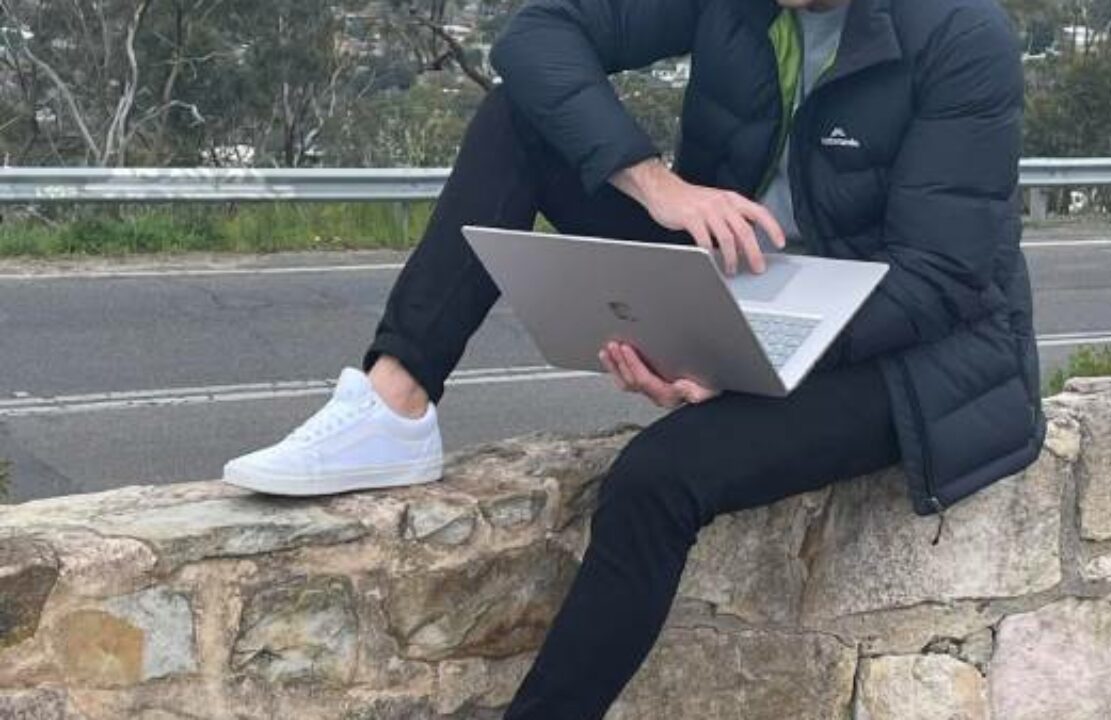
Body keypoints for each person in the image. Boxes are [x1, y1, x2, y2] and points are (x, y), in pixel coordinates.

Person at [223, 0, 1047, 715]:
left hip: (911, 354)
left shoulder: (959, 34)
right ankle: (394, 402)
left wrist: (738, 356)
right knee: (519, 117)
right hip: (744, 278)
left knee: (656, 481)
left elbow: (939, 280)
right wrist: (659, 187)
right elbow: (536, 34)